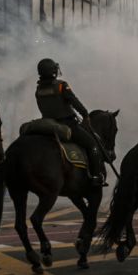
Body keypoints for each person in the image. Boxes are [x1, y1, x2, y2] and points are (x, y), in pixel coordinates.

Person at [35, 58, 103, 186]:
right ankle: (95, 176)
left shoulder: (38, 90)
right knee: (92, 145)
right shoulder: (61, 86)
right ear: (53, 71)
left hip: (48, 125)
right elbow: (74, 101)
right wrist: (85, 114)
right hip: (67, 124)